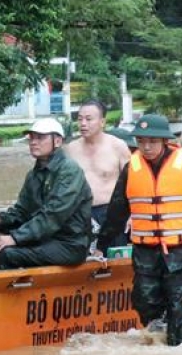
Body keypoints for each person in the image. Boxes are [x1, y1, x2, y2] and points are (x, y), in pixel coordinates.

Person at [96, 113, 182, 347]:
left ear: (164, 141)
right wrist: (101, 246)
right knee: (144, 301)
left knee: (178, 308)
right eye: (141, 141)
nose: (146, 147)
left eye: (152, 142)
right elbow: (117, 212)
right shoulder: (131, 168)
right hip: (146, 253)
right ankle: (157, 349)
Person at [0, 118, 93, 269]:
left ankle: (16, 289)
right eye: (32, 138)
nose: (33, 142)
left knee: (8, 253)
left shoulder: (69, 170)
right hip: (46, 238)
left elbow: (53, 215)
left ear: (58, 141)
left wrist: (15, 238)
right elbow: (22, 211)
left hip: (69, 243)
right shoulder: (33, 175)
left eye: (40, 137)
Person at [65, 100, 132, 248]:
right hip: (81, 213)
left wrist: (132, 214)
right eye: (80, 118)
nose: (83, 123)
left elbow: (133, 183)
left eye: (89, 119)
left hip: (111, 211)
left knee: (115, 260)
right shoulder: (71, 149)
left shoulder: (118, 146)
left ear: (102, 122)